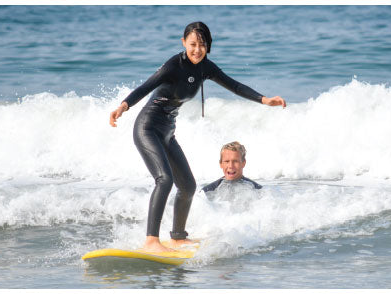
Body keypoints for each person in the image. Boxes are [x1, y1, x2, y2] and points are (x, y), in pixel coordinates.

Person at [109, 21, 286, 252]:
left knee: (188, 186)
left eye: (202, 45)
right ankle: (151, 241)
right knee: (165, 180)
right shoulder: (173, 65)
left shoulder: (206, 67)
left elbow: (234, 86)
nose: (196, 50)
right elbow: (145, 86)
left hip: (167, 132)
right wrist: (123, 106)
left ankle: (178, 237)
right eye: (192, 44)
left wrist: (265, 100)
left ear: (208, 46)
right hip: (148, 127)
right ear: (184, 43)